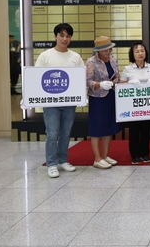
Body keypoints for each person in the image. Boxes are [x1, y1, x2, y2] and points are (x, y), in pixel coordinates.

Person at [35, 23, 84, 178]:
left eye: (68, 36)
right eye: (61, 35)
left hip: (69, 102)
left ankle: (62, 160)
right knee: (52, 134)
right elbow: (36, 78)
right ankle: (51, 163)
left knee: (65, 133)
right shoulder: (45, 56)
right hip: (51, 104)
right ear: (55, 36)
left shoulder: (75, 57)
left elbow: (81, 78)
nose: (65, 39)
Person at [120, 42, 150, 164]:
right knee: (134, 130)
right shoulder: (127, 69)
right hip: (133, 106)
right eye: (137, 51)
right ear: (132, 54)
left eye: (142, 51)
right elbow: (120, 85)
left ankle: (145, 154)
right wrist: (130, 83)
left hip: (147, 104)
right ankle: (135, 155)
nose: (140, 53)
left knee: (146, 129)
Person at [86, 36, 120, 169]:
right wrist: (100, 84)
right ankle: (97, 158)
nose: (108, 52)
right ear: (98, 51)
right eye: (105, 50)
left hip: (110, 95)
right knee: (96, 128)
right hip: (97, 98)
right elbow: (87, 81)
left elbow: (117, 77)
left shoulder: (113, 60)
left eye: (109, 49)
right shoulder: (91, 62)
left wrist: (112, 83)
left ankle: (105, 155)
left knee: (108, 127)